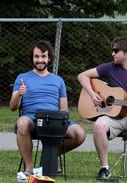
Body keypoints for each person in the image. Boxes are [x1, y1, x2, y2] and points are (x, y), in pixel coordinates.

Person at [78, 36, 127, 183]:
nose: (112, 54)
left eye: (115, 50)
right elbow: (83, 76)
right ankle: (104, 168)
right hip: (113, 117)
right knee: (99, 124)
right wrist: (92, 94)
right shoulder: (109, 68)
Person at [10, 40, 86, 175]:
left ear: (49, 58)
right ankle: (29, 168)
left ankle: (48, 158)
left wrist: (61, 119)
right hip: (32, 118)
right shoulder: (22, 78)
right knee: (22, 123)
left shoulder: (58, 80)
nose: (40, 60)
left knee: (79, 134)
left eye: (43, 56)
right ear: (32, 58)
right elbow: (12, 107)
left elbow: (64, 110)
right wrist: (19, 94)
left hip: (54, 119)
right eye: (36, 56)